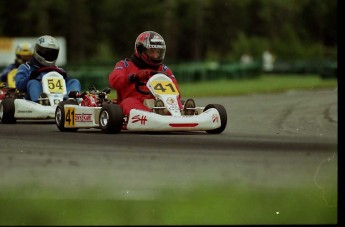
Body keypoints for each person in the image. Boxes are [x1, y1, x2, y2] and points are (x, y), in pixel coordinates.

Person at [108, 31, 195, 116]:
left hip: (160, 104)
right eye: (152, 51)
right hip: (135, 103)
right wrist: (134, 77)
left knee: (175, 100)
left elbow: (177, 92)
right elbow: (114, 80)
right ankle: (154, 116)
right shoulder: (125, 65)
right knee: (128, 102)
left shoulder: (164, 69)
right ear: (140, 49)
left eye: (158, 52)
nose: (155, 56)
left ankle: (181, 113)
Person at [15, 35, 81, 103]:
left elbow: (69, 83)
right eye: (47, 53)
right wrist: (31, 77)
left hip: (60, 99)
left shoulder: (58, 70)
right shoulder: (26, 67)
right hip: (33, 101)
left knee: (74, 81)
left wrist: (65, 76)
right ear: (38, 51)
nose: (50, 56)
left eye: (52, 53)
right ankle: (41, 101)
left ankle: (68, 101)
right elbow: (20, 86)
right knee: (33, 83)